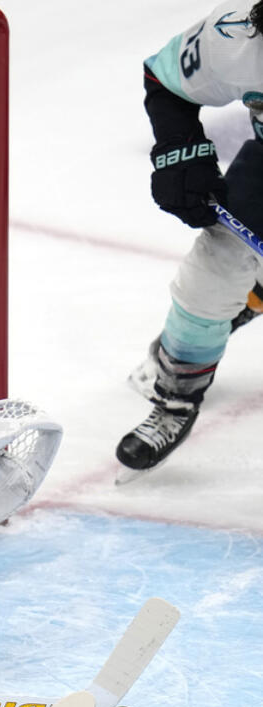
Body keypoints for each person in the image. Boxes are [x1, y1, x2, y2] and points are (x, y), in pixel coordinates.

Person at [116, 2, 263, 476]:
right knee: (212, 275)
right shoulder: (241, 37)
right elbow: (165, 80)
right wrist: (180, 152)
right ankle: (177, 397)